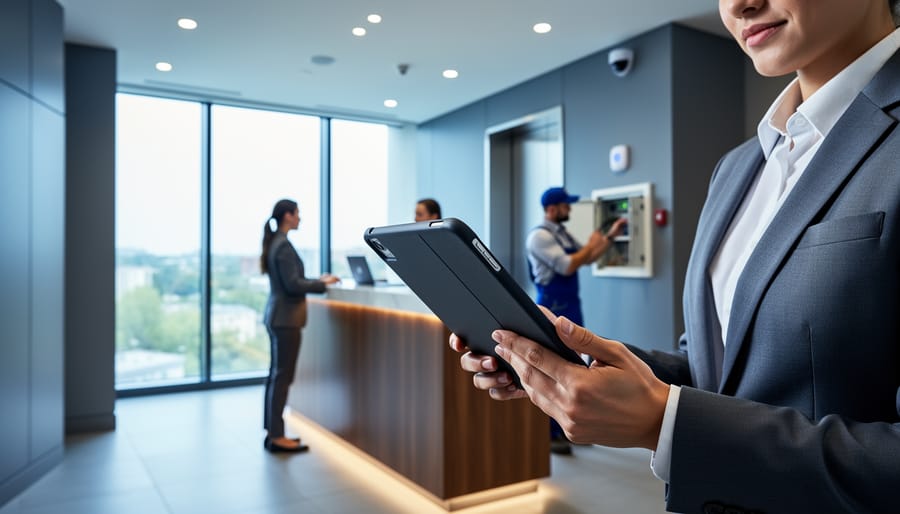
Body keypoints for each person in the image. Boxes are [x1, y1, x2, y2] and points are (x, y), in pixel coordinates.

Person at [451, 0, 900, 511]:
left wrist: (666, 421)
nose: (738, 4)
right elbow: (716, 367)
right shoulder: (739, 167)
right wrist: (576, 364)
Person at [528, 187, 626, 454]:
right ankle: (551, 433)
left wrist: (608, 238)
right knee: (554, 368)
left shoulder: (562, 234)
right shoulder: (539, 237)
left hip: (571, 305)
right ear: (552, 209)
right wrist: (591, 246)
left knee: (576, 363)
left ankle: (570, 428)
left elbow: (588, 257)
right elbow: (568, 265)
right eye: (565, 206)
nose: (569, 210)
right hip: (553, 305)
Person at [260, 199, 339, 453]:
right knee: (283, 376)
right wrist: (321, 283)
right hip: (286, 319)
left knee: (277, 375)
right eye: (297, 214)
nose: (300, 218)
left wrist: (316, 281)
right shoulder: (282, 246)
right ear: (287, 216)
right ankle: (276, 435)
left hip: (278, 316)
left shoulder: (276, 243)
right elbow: (293, 285)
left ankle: (273, 432)